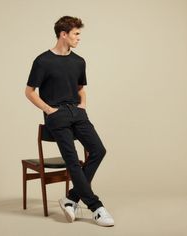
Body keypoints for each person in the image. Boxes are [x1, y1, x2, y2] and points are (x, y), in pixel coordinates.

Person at [25, 16, 114, 227]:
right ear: (63, 34)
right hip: (57, 117)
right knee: (72, 161)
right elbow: (29, 92)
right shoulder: (42, 61)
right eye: (76, 34)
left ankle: (71, 198)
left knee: (99, 150)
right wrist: (49, 110)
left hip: (78, 113)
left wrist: (83, 104)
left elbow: (81, 88)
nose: (79, 38)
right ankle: (96, 207)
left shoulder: (79, 61)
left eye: (79, 34)